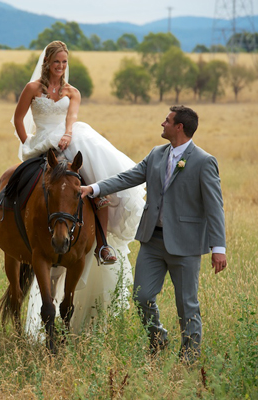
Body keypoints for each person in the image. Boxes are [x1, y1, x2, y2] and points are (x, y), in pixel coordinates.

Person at [12, 40, 146, 337]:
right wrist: (27, 143)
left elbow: (70, 119)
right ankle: (10, 211)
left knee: (92, 187)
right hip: (41, 143)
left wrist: (68, 136)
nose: (60, 67)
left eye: (64, 62)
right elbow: (18, 118)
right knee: (24, 180)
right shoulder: (33, 88)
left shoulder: (73, 92)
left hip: (67, 140)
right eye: (56, 62)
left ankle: (101, 243)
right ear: (47, 63)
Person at [80, 105, 227, 363]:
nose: (163, 124)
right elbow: (129, 177)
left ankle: (190, 356)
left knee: (187, 305)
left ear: (179, 127)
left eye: (167, 120)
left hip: (186, 245)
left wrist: (219, 248)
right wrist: (94, 188)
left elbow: (215, 207)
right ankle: (157, 338)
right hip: (152, 240)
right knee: (141, 296)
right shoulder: (157, 154)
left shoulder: (204, 161)